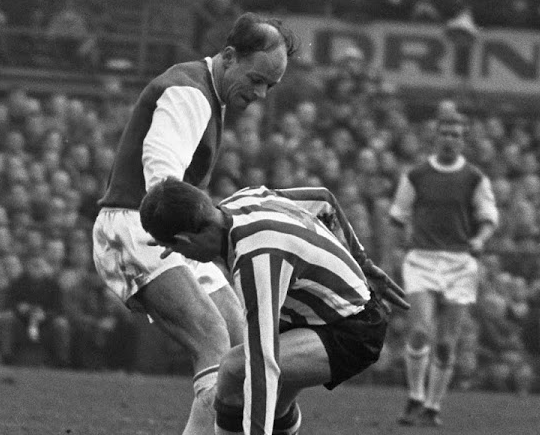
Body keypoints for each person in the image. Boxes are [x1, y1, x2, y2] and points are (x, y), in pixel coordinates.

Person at [93, 13, 294, 435]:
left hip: (170, 230)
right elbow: (161, 176)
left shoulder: (207, 95)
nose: (259, 93)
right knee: (215, 345)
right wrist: (182, 227)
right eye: (256, 79)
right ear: (229, 56)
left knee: (242, 347)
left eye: (269, 87)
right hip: (141, 226)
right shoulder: (189, 92)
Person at [140, 181, 402, 435]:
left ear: (184, 239)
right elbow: (323, 200)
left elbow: (262, 361)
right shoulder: (245, 199)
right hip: (322, 317)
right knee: (274, 410)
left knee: (232, 369)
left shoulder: (256, 257)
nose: (179, 254)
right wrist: (364, 265)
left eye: (174, 248)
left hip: (352, 330)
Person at [391, 109, 499, 427]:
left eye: (456, 134)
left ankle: (433, 406)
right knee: (421, 330)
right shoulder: (416, 176)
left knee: (446, 342)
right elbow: (398, 215)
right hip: (422, 259)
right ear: (435, 137)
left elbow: (488, 217)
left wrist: (480, 239)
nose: (450, 139)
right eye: (445, 133)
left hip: (459, 262)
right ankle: (414, 397)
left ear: (463, 141)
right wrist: (405, 241)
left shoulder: (475, 178)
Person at [0, 255, 71, 367]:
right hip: (22, 324)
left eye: (39, 266)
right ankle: (6, 357)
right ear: (27, 266)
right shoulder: (17, 284)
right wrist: (20, 309)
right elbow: (8, 305)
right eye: (33, 265)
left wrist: (45, 315)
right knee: (6, 319)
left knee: (61, 324)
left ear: (45, 267)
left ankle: (62, 361)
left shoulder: (54, 286)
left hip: (46, 325)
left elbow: (59, 310)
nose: (36, 269)